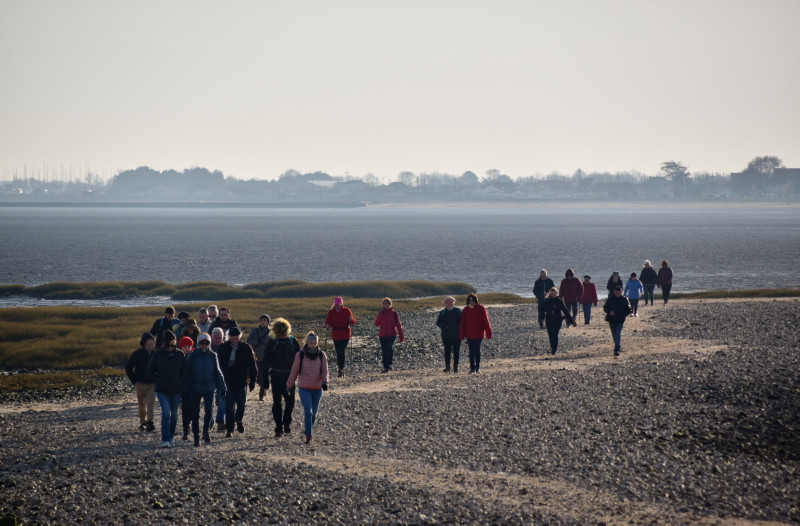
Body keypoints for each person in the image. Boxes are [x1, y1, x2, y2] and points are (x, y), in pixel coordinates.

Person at [286, 332, 329, 444]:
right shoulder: (300, 355)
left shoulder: (321, 355)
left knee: (314, 414)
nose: (313, 345)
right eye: (311, 342)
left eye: (315, 343)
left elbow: (325, 370)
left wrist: (325, 382)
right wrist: (289, 385)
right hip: (304, 388)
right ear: (307, 342)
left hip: (317, 389)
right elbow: (294, 371)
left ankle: (307, 428)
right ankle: (309, 435)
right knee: (308, 412)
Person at [146, 331, 187, 448]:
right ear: (164, 345)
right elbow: (149, 371)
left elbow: (185, 372)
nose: (171, 348)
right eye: (169, 345)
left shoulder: (180, 355)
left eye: (173, 346)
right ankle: (165, 439)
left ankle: (171, 436)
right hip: (162, 390)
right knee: (166, 412)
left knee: (174, 415)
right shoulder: (157, 355)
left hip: (176, 390)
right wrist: (157, 380)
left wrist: (181, 383)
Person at [185, 332, 226, 446]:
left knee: (209, 411)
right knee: (195, 413)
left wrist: (222, 387)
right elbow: (187, 372)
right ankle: (196, 436)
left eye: (206, 342)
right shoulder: (192, 355)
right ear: (198, 343)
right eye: (201, 342)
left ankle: (206, 432)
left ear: (209, 343)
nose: (204, 345)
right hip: (195, 388)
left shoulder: (213, 355)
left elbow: (217, 372)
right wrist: (186, 386)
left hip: (209, 387)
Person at [216, 327, 257, 437]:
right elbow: (218, 366)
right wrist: (218, 382)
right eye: (232, 337)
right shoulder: (223, 348)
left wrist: (253, 380)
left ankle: (238, 420)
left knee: (241, 405)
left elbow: (252, 365)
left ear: (240, 336)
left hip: (241, 382)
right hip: (227, 383)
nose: (234, 339)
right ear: (229, 336)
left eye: (236, 337)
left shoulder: (245, 348)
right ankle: (230, 429)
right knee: (229, 406)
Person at [264, 318, 301, 438]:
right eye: (281, 333)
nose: (283, 335)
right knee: (277, 403)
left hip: (289, 377)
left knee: (290, 403)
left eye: (284, 332)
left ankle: (286, 424)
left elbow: (300, 360)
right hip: (275, 376)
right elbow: (266, 362)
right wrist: (265, 380)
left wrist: (301, 376)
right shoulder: (272, 342)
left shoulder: (293, 341)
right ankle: (279, 427)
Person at [125, 332, 157, 432]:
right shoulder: (137, 354)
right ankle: (142, 422)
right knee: (141, 404)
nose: (151, 347)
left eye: (153, 345)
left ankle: (150, 423)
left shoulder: (157, 354)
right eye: (149, 345)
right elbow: (128, 368)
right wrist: (135, 382)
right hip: (140, 383)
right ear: (144, 344)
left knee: (151, 403)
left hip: (152, 384)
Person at [458, 293, 492, 374]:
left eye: (472, 300)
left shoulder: (481, 308)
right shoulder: (465, 310)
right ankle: (472, 368)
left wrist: (488, 333)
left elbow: (486, 321)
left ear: (475, 300)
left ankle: (477, 367)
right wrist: (461, 334)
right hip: (469, 334)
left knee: (477, 350)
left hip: (479, 333)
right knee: (471, 351)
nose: (471, 302)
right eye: (470, 300)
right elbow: (462, 323)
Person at [324, 297, 356, 378]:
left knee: (341, 351)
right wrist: (327, 325)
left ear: (341, 304)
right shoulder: (331, 312)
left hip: (345, 334)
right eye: (336, 305)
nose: (337, 306)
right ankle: (340, 369)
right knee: (339, 352)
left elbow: (353, 322)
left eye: (339, 304)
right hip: (336, 334)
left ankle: (340, 369)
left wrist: (351, 320)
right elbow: (328, 322)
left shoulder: (347, 310)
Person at [538, 287, 576, 355]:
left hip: (558, 320)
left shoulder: (559, 301)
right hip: (549, 320)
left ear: (557, 293)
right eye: (552, 293)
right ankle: (552, 347)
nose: (553, 294)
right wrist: (541, 318)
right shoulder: (547, 301)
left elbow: (565, 311)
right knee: (550, 335)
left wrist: (571, 321)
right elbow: (542, 310)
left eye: (554, 293)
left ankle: (554, 350)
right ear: (550, 293)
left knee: (555, 334)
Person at [375, 297, 405, 373]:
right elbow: (376, 324)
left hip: (392, 334)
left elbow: (399, 326)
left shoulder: (395, 314)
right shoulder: (380, 313)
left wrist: (401, 337)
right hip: (382, 335)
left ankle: (390, 364)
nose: (386, 305)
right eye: (385, 304)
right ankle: (385, 367)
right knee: (384, 351)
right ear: (383, 305)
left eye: (388, 304)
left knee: (389, 348)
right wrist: (380, 316)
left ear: (390, 304)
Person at [247, 314, 272, 401]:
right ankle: (261, 387)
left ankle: (262, 394)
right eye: (261, 320)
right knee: (257, 376)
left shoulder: (271, 332)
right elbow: (248, 342)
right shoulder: (254, 331)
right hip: (256, 357)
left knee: (265, 376)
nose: (263, 322)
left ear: (268, 322)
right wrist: (255, 342)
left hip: (267, 358)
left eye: (265, 320)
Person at [603, 286, 632, 356]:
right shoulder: (610, 299)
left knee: (617, 333)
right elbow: (605, 307)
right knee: (614, 334)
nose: (617, 293)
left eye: (619, 292)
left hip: (620, 320)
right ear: (614, 292)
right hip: (611, 320)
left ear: (621, 292)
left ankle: (616, 349)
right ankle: (618, 346)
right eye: (616, 292)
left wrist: (623, 314)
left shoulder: (624, 299)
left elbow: (629, 310)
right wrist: (609, 312)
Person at [436, 296, 462, 372]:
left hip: (456, 335)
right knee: (447, 351)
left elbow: (462, 322)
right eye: (448, 302)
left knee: (456, 351)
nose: (450, 303)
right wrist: (444, 327)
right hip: (446, 335)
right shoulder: (442, 312)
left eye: (451, 301)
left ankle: (455, 368)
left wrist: (454, 326)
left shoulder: (458, 311)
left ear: (454, 302)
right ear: (445, 303)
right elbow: (438, 322)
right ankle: (447, 367)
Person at [177, 336, 195, 441]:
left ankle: (188, 423)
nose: (187, 349)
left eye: (189, 346)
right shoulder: (179, 357)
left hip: (194, 386)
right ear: (181, 347)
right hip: (183, 387)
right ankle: (185, 430)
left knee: (193, 409)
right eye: (184, 347)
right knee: (185, 409)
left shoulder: (194, 356)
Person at [209, 328, 227, 432]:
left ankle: (220, 421)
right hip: (210, 378)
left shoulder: (226, 348)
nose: (217, 339)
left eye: (219, 337)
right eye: (215, 337)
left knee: (222, 402)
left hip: (222, 378)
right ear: (212, 337)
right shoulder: (207, 347)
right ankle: (210, 421)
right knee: (209, 402)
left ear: (223, 337)